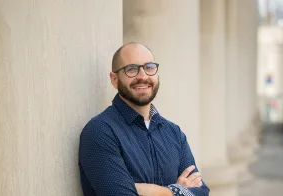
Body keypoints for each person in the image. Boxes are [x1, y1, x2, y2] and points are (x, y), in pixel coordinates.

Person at [78, 42, 210, 196]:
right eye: (131, 69)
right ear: (114, 79)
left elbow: (202, 192)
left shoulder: (174, 133)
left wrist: (158, 192)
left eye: (149, 67)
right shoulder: (100, 132)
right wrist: (180, 191)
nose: (142, 76)